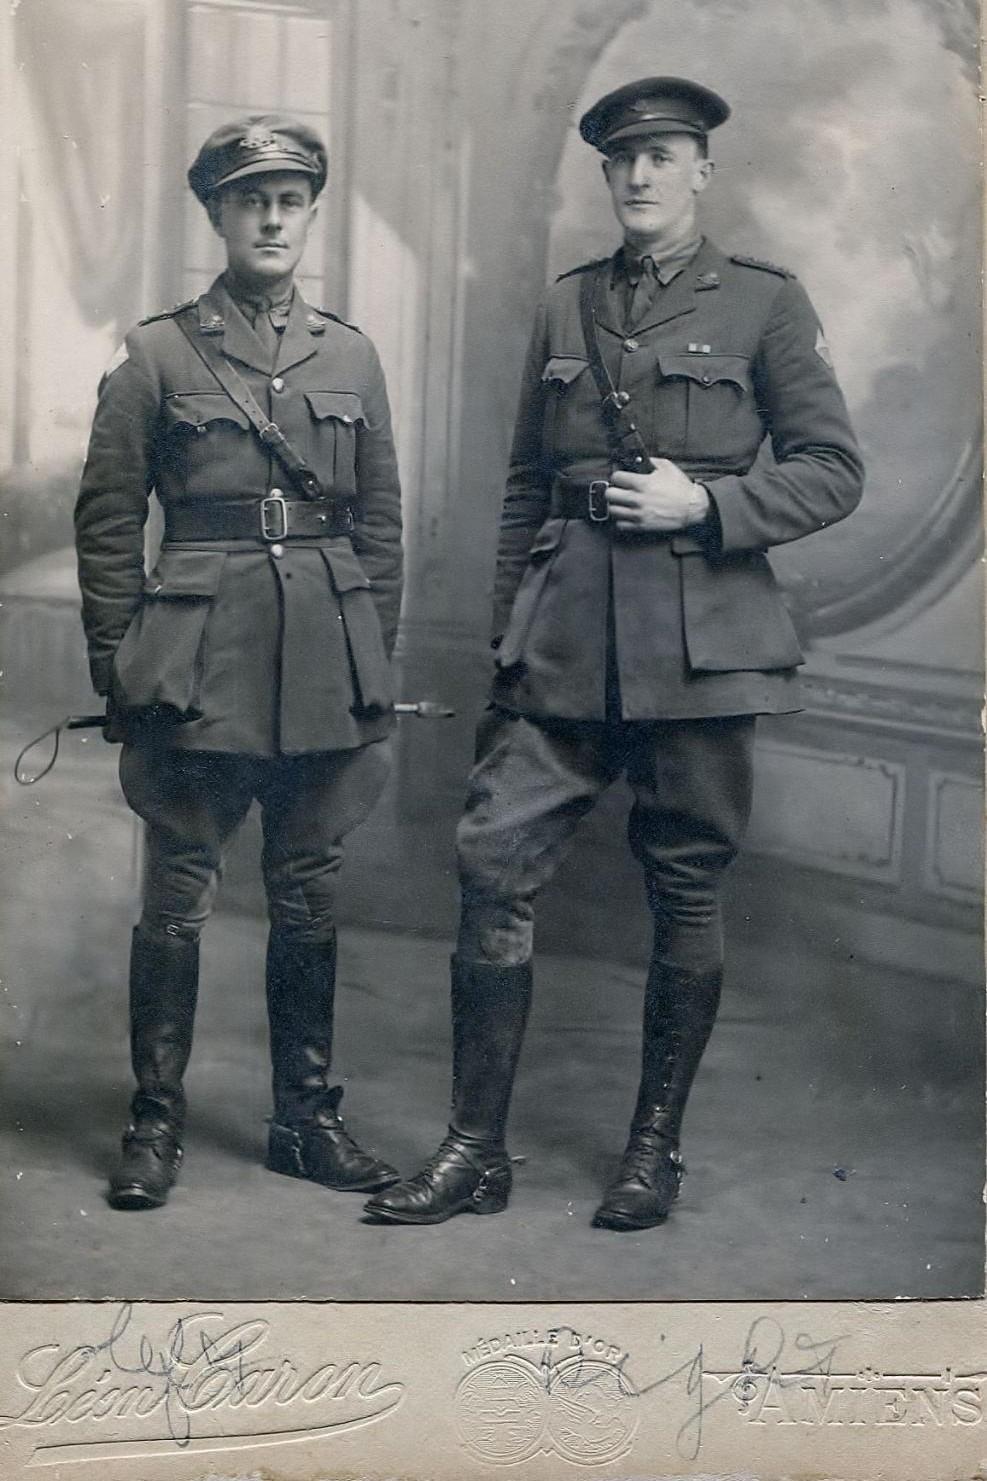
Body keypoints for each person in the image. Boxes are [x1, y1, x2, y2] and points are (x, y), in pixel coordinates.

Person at [365, 76, 863, 1231]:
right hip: (566, 639)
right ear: (608, 174)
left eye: (664, 154)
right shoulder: (565, 306)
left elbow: (835, 469)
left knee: (686, 883)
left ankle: (653, 1150)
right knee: (494, 863)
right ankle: (474, 1147)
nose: (640, 175)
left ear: (702, 170)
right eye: (621, 159)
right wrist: (507, 629)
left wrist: (709, 504)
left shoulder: (765, 306)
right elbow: (525, 488)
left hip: (702, 646)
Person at [75, 115, 403, 1211]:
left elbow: (380, 522)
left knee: (308, 891)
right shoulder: (159, 351)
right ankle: (155, 1117)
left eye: (291, 198)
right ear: (217, 214)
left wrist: (370, 652)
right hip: (195, 661)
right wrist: (118, 663)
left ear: (310, 213)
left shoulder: (350, 353)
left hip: (321, 659)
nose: (272, 216)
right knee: (178, 888)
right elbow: (112, 518)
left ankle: (303, 1118)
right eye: (251, 197)